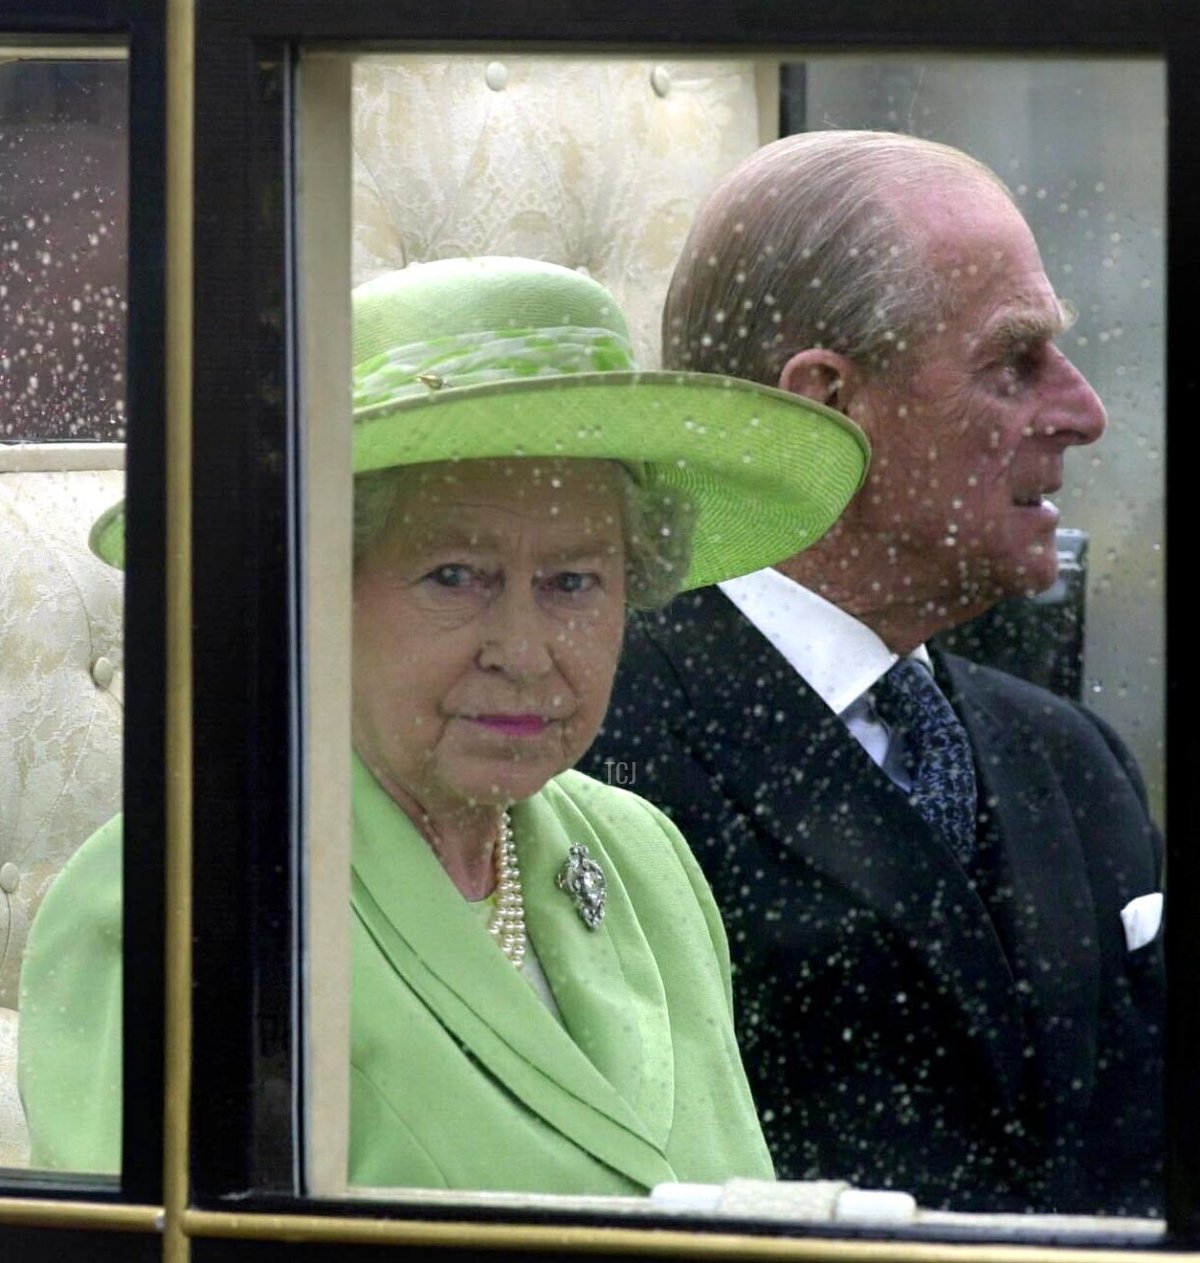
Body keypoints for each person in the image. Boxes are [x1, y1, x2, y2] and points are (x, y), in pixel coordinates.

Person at [18, 256, 869, 1192]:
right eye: (456, 575)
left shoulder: (643, 859)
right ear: (315, 588)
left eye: (573, 582)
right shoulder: (187, 894)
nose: (525, 647)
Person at [583, 132, 1165, 1214]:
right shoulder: (596, 748)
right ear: (825, 402)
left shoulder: (1077, 762)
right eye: (1014, 363)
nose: (1083, 414)